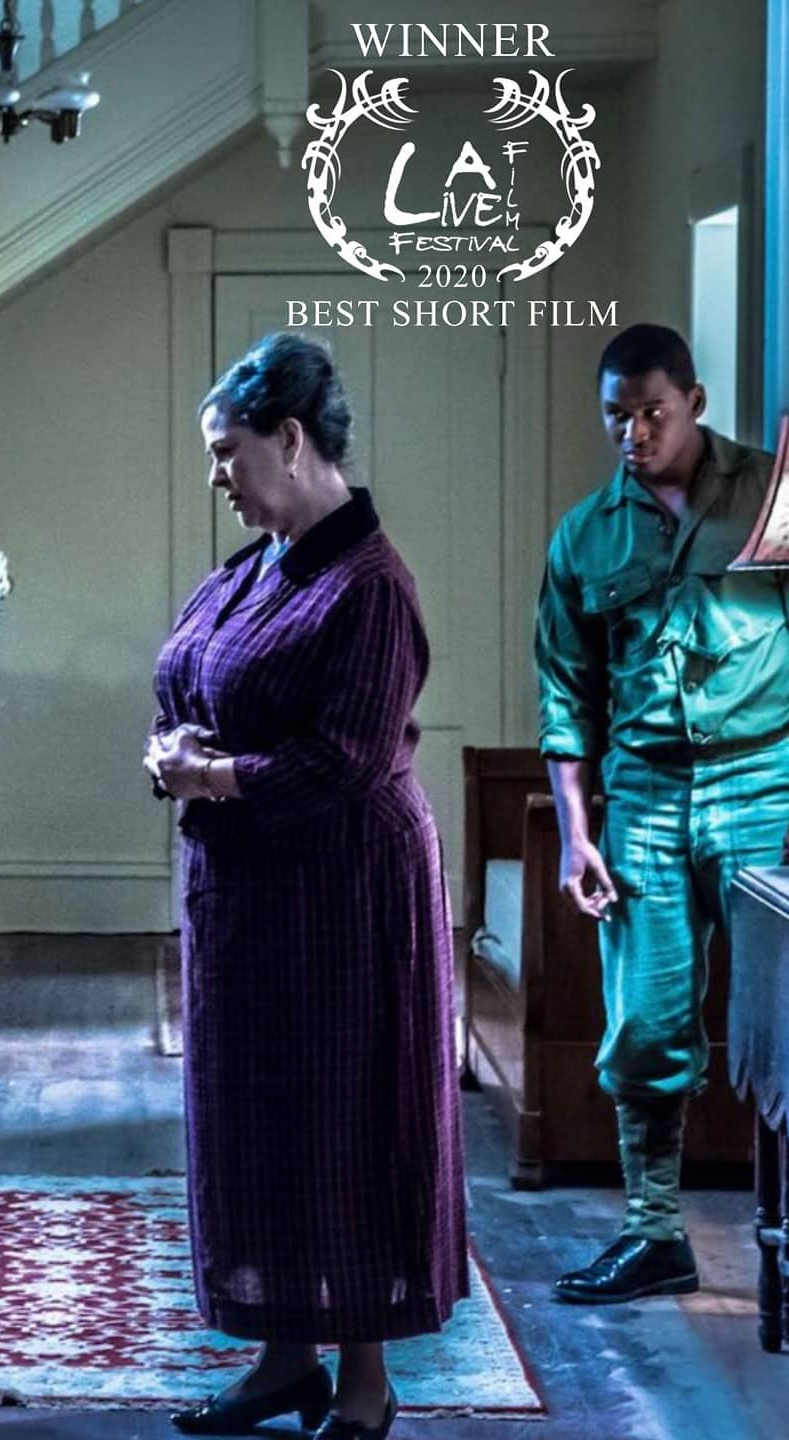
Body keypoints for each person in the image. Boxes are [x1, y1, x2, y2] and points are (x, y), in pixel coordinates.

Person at [145, 333, 466, 1440]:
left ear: (289, 440)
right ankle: (285, 1358)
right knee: (258, 1117)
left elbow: (344, 759)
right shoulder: (254, 567)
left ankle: (366, 1380)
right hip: (251, 893)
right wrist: (173, 753)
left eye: (225, 451)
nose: (216, 476)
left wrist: (209, 773)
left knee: (347, 1118)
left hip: (346, 894)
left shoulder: (370, 586)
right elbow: (189, 683)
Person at [536, 323, 787, 1304]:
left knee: (783, 1023)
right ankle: (653, 1232)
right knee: (644, 1024)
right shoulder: (585, 536)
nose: (634, 434)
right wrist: (576, 836)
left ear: (695, 403)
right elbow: (565, 696)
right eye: (618, 416)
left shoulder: (770, 493)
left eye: (653, 412)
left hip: (762, 783)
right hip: (642, 795)